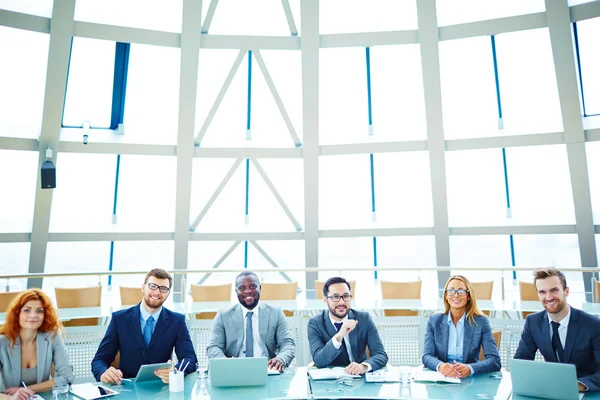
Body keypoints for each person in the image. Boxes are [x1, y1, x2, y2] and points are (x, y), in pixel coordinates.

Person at [91, 269, 197, 384]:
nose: (157, 292)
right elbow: (99, 360)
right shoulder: (120, 319)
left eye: (163, 289)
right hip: (127, 387)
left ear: (168, 293)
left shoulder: (177, 321)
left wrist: (176, 371)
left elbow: (189, 358)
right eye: (152, 286)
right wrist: (103, 373)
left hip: (161, 387)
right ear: (143, 287)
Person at [514, 267, 600, 392]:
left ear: (566, 291)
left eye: (554, 290)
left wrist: (578, 385)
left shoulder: (593, 325)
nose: (548, 297)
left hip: (585, 392)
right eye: (542, 292)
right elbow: (521, 362)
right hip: (550, 391)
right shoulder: (533, 322)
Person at [206, 271, 296, 371]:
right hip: (234, 370)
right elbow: (213, 347)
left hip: (267, 369)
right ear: (236, 292)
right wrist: (226, 364)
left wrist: (281, 359)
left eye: (252, 287)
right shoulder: (223, 315)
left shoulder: (276, 313)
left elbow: (287, 343)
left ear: (260, 288)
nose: (248, 291)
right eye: (242, 288)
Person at [0, 289, 73, 400]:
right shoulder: (2, 342)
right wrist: (11, 398)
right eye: (27, 310)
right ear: (17, 313)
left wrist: (27, 389)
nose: (33, 315)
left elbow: (67, 377)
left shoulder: (52, 336)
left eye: (39, 311)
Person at [422, 275, 501, 377]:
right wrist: (441, 366)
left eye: (461, 291)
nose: (456, 295)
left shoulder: (481, 321)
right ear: (446, 295)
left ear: (468, 296)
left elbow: (494, 360)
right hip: (442, 378)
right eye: (451, 291)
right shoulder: (434, 320)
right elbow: (427, 356)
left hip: (470, 380)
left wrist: (470, 368)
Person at [307, 277, 388, 374]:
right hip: (332, 383)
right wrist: (339, 335)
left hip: (360, 379)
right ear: (325, 300)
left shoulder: (363, 319)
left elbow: (380, 354)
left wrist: (363, 366)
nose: (341, 302)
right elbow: (319, 361)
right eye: (335, 297)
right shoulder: (315, 323)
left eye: (345, 296)